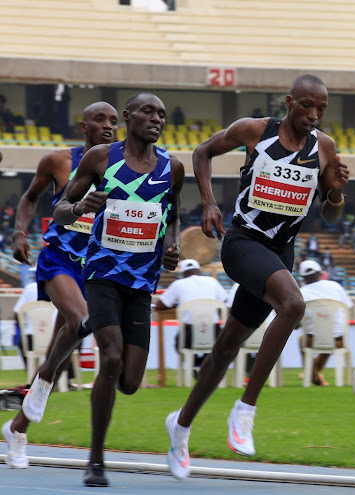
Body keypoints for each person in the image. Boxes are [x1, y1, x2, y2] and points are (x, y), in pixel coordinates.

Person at [164, 74, 348, 480]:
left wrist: (334, 192)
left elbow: (332, 212)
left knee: (227, 345)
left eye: (321, 109)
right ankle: (245, 410)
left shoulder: (325, 148)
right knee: (294, 303)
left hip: (281, 251)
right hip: (243, 241)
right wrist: (209, 204)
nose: (313, 115)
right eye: (306, 106)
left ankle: (180, 425)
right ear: (289, 102)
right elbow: (202, 152)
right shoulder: (255, 131)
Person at [52, 92, 184, 486]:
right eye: (147, 111)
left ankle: (95, 333)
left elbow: (173, 214)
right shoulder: (100, 159)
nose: (156, 118)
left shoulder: (172, 168)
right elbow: (58, 211)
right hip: (103, 275)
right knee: (109, 359)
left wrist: (171, 247)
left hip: (142, 284)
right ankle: (96, 460)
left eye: (161, 114)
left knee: (128, 381)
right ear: (127, 117)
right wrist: (79, 208)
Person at [2, 102, 118, 471]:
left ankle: (18, 428)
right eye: (100, 119)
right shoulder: (57, 161)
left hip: (97, 265)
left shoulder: (123, 167)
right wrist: (20, 232)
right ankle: (44, 384)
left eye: (114, 121)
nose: (108, 126)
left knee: (63, 341)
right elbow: (30, 198)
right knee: (82, 322)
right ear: (83, 126)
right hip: (60, 258)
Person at [155, 259, 229, 368]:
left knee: (179, 345)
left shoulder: (178, 284)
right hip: (214, 332)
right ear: (199, 271)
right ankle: (204, 366)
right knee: (212, 348)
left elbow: (159, 306)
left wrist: (175, 304)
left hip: (189, 334)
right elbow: (225, 302)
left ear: (183, 273)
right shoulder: (212, 281)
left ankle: (195, 366)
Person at [296, 260, 353, 386]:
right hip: (339, 340)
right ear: (319, 273)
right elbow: (347, 307)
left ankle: (314, 377)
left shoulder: (301, 292)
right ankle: (314, 374)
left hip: (313, 340)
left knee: (302, 340)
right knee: (329, 335)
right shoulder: (335, 286)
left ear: (303, 277)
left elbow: (297, 320)